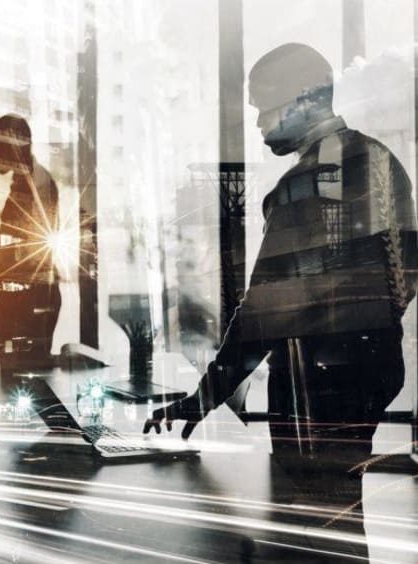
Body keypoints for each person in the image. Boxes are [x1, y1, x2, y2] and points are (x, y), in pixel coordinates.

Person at [144, 43, 418, 560]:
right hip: (373, 365)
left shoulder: (305, 183)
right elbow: (409, 263)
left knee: (312, 524)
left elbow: (265, 309)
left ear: (307, 100)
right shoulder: (382, 159)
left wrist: (203, 397)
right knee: (339, 517)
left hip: (317, 383)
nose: (259, 124)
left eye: (266, 108)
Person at [0, 114, 61, 378]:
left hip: (29, 303)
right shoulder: (24, 182)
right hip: (23, 299)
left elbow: (36, 245)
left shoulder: (36, 184)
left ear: (13, 145)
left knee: (20, 386)